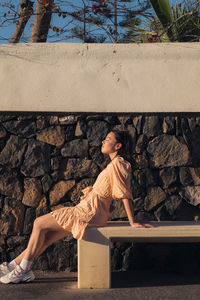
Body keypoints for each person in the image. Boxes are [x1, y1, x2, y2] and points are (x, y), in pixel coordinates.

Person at [0, 130, 152, 284]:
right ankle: (13, 266)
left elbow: (124, 192)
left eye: (107, 139)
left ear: (118, 145)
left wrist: (132, 221)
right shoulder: (114, 163)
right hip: (90, 210)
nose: (103, 141)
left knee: (39, 223)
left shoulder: (119, 163)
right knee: (45, 238)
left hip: (89, 212)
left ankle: (23, 270)